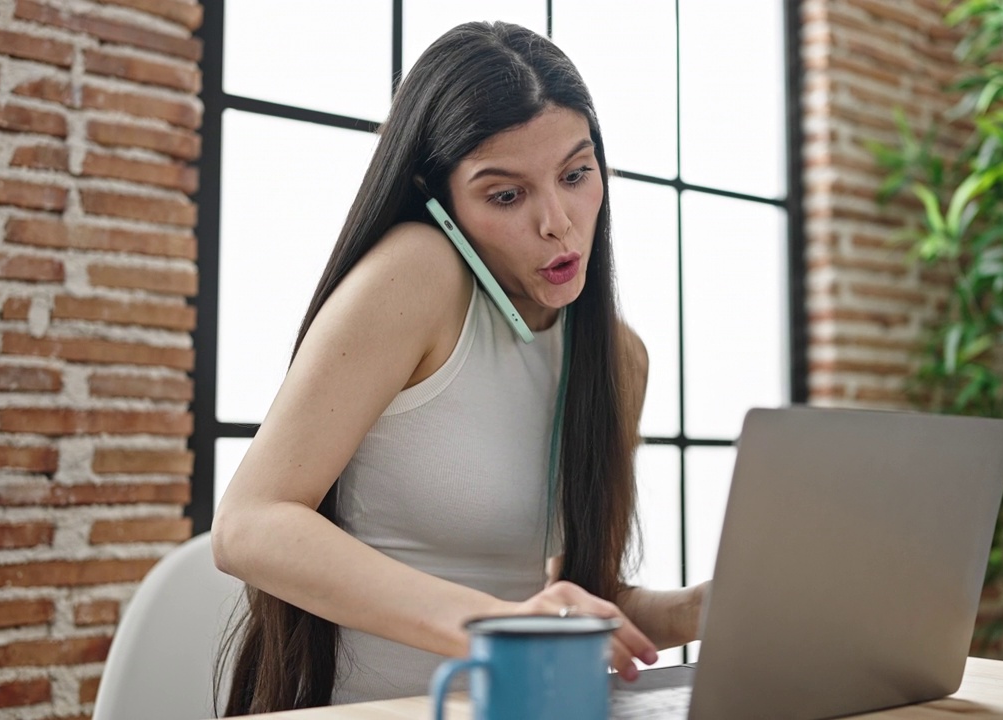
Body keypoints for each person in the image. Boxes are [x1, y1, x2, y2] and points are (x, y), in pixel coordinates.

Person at [210, 20, 707, 714]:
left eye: (575, 174)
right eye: (507, 195)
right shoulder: (418, 274)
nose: (558, 222)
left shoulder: (618, 359)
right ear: (438, 197)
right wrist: (495, 628)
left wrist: (702, 609)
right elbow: (247, 526)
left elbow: (577, 605)